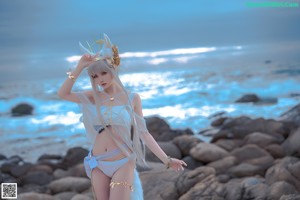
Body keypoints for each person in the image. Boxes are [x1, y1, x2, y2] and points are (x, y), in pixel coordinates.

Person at [57, 33, 187, 200]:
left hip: (122, 161)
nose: (99, 79)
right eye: (94, 76)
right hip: (97, 162)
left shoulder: (132, 98)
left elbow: (144, 133)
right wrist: (80, 66)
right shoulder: (93, 96)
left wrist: (167, 160)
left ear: (113, 69)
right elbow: (63, 93)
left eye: (103, 73)